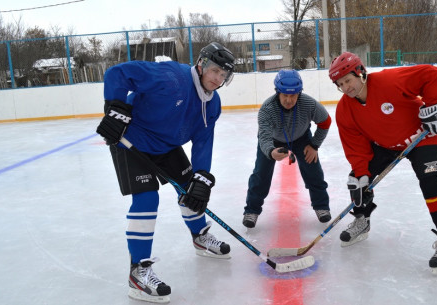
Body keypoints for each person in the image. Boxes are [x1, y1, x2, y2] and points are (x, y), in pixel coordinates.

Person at [96, 42, 236, 303]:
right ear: (202, 64)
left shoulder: (212, 104)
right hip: (132, 139)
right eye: (215, 71)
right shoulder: (171, 77)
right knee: (147, 199)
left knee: (192, 189)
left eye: (223, 75)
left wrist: (202, 174)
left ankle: (200, 238)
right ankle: (138, 272)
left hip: (166, 146)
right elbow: (117, 73)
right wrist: (114, 108)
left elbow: (204, 140)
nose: (218, 79)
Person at [328, 52, 437, 274]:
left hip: (421, 137)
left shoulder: (389, 81)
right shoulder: (345, 110)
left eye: (348, 80)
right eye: (340, 84)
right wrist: (361, 174)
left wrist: (433, 105)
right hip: (385, 145)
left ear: (360, 73)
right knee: (357, 181)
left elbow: (432, 74)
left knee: (430, 183)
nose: (346, 88)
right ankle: (362, 220)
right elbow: (356, 147)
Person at [242, 69, 332, 229]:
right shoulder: (267, 109)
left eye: (293, 95)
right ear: (278, 92)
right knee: (260, 174)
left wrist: (314, 145)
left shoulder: (309, 104)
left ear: (299, 93)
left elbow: (325, 121)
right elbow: (263, 136)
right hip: (273, 140)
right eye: (285, 95)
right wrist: (270, 151)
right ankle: (252, 210)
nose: (289, 100)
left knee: (314, 172)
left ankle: (321, 207)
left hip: (302, 138)